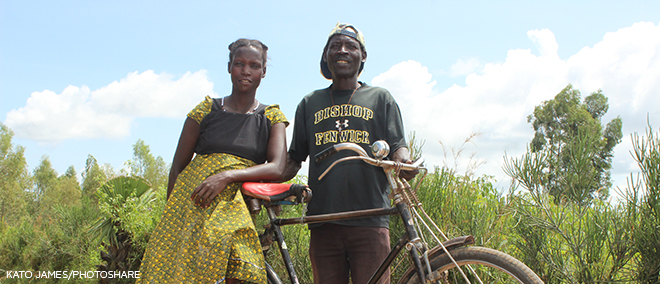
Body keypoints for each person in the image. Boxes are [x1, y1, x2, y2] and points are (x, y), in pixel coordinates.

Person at [138, 38, 288, 284]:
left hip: (234, 204)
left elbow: (277, 166)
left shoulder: (271, 116)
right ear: (229, 67)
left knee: (237, 268)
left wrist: (227, 176)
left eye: (254, 65)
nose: (246, 71)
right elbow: (178, 166)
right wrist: (172, 216)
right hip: (193, 201)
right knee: (181, 271)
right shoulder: (206, 109)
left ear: (263, 71)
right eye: (239, 64)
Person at [285, 23, 416, 284]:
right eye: (335, 46)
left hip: (370, 219)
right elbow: (293, 160)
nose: (342, 51)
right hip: (324, 221)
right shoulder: (310, 103)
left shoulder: (380, 98)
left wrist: (404, 163)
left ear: (363, 56)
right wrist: (263, 185)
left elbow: (399, 145)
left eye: (350, 46)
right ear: (326, 56)